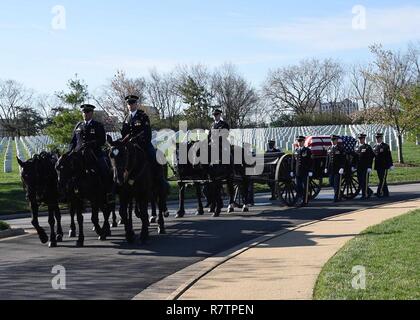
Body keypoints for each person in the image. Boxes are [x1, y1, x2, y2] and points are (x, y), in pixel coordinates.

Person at [69, 104, 112, 196]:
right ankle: (69, 192)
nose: (85, 114)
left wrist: (91, 143)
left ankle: (108, 192)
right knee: (66, 168)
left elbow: (102, 140)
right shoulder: (78, 126)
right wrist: (70, 152)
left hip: (94, 153)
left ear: (92, 113)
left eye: (87, 112)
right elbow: (73, 141)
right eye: (84, 112)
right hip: (79, 154)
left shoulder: (97, 125)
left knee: (105, 168)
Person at [291, 136, 313, 207]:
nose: (299, 142)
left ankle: (305, 201)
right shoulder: (296, 151)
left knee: (305, 186)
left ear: (304, 142)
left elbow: (311, 161)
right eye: (298, 141)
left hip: (305, 171)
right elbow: (293, 162)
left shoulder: (307, 151)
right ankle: (300, 198)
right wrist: (292, 170)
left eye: (301, 141)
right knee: (298, 186)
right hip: (297, 172)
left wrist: (310, 170)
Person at [325, 135, 346, 202]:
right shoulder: (329, 148)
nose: (332, 141)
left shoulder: (340, 148)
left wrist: (342, 167)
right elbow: (327, 159)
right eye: (331, 140)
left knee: (336, 183)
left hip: (338, 169)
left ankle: (336, 197)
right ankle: (339, 193)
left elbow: (343, 159)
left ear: (336, 140)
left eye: (334, 140)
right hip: (331, 169)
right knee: (331, 182)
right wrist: (326, 167)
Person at [373, 133, 394, 197]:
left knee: (382, 179)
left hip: (384, 165)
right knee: (381, 179)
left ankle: (379, 192)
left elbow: (389, 156)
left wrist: (391, 164)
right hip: (378, 165)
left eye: (378, 138)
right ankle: (386, 193)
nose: (377, 139)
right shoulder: (375, 146)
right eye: (376, 138)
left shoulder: (385, 146)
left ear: (381, 138)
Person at [355, 134, 375, 199]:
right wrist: (353, 165)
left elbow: (371, 157)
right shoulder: (357, 147)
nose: (360, 140)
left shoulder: (367, 147)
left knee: (364, 181)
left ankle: (365, 194)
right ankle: (369, 191)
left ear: (364, 139)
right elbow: (355, 157)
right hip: (359, 167)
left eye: (362, 139)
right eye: (360, 139)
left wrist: (369, 166)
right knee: (360, 181)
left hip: (365, 167)